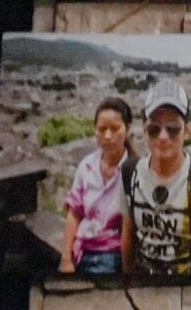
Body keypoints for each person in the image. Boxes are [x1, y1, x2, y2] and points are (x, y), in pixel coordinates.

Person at [120, 77, 191, 281]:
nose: (163, 136)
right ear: (144, 130)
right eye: (154, 128)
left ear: (187, 131)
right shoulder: (129, 173)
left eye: (173, 128)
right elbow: (127, 236)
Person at [60, 96, 132, 277]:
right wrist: (66, 258)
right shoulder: (87, 165)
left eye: (115, 129)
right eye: (102, 129)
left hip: (110, 254)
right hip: (81, 250)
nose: (108, 136)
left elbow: (128, 227)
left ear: (128, 129)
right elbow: (74, 212)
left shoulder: (134, 170)